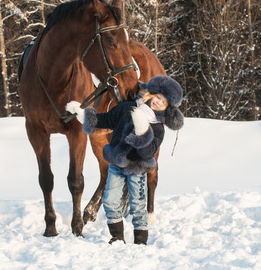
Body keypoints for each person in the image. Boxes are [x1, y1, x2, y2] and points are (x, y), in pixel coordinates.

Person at [66, 75, 184, 245]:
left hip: (137, 169)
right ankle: (117, 237)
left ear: (167, 108)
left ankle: (140, 241)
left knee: (138, 207)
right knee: (109, 201)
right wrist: (85, 116)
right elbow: (106, 119)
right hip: (116, 163)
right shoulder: (127, 108)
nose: (158, 102)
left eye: (164, 102)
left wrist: (143, 131)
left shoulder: (158, 127)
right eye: (158, 97)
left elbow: (148, 152)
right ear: (151, 94)